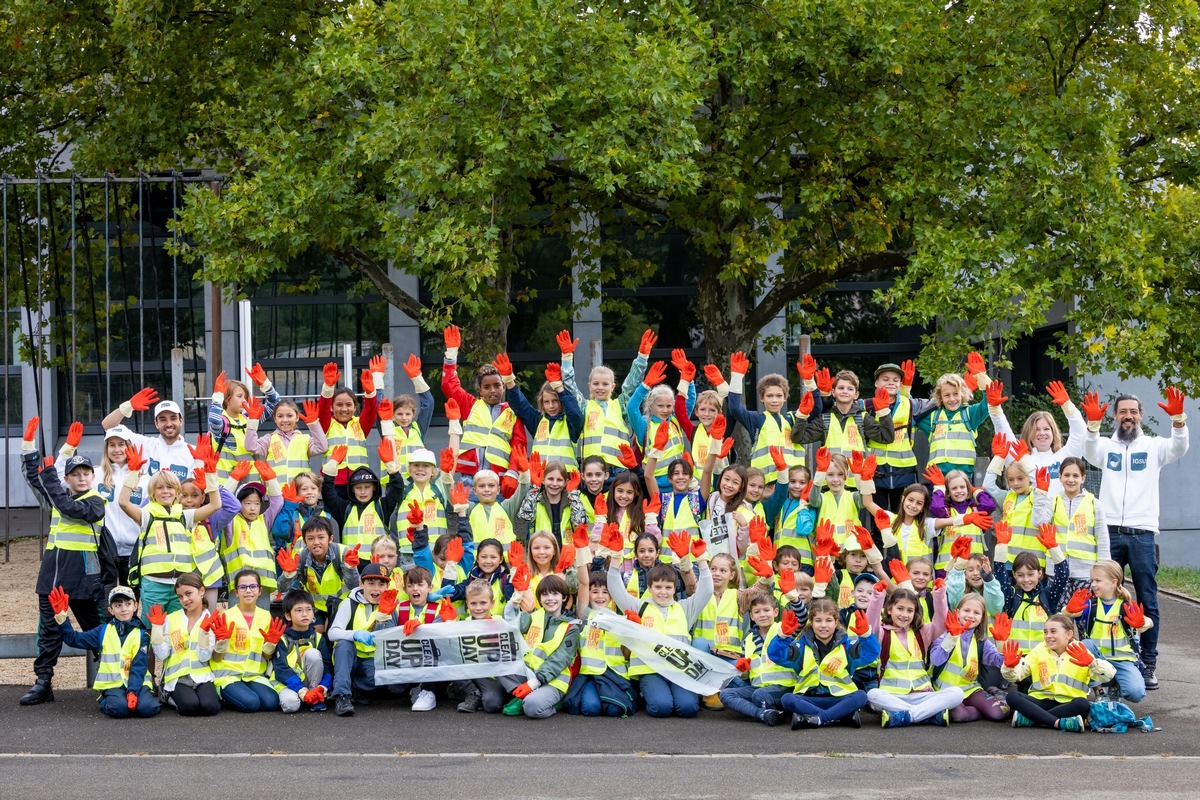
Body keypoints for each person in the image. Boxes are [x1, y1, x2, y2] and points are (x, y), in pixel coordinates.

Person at [1082, 387, 1189, 690]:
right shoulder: (1105, 446)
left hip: (1142, 534)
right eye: (1122, 412)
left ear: (1141, 415)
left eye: (1133, 412)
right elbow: (1090, 452)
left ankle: (1149, 662)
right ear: (1115, 416)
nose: (1128, 417)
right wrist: (1092, 426)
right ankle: (1099, 660)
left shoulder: (1153, 446)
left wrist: (1179, 420)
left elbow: (1179, 448)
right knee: (1102, 594)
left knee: (1147, 599)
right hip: (1111, 533)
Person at [20, 417, 118, 706]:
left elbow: (67, 506)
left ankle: (114, 681)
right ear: (67, 478)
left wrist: (53, 469)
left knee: (101, 633)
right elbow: (37, 479)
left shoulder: (96, 501)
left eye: (86, 472)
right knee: (49, 634)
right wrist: (29, 449)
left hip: (86, 581)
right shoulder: (57, 494)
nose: (82, 477)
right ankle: (43, 683)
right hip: (53, 580)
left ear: (93, 476)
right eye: (75, 474)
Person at [607, 540, 715, 718]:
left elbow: (706, 591)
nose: (663, 592)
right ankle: (647, 694)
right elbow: (615, 588)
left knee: (688, 709)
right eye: (657, 587)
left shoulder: (685, 608)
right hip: (651, 671)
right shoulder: (639, 607)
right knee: (661, 708)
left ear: (674, 589)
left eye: (668, 587)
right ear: (649, 588)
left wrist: (702, 561)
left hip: (678, 671)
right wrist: (616, 557)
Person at [119, 444, 224, 617]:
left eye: (169, 487)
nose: (165, 491)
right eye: (160, 488)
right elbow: (123, 502)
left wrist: (211, 475)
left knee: (178, 631)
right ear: (153, 492)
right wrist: (132, 473)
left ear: (177, 492)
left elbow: (215, 505)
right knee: (153, 630)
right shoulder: (147, 515)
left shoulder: (184, 516)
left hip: (181, 586)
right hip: (154, 584)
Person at [49, 584, 160, 718]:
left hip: (138, 683)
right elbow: (73, 639)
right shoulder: (103, 631)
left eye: (128, 604)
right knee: (120, 710)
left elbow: (139, 666)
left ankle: (134, 698)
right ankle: (104, 699)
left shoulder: (142, 634)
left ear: (135, 606)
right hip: (112, 684)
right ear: (111, 610)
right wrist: (61, 617)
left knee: (148, 709)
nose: (124, 609)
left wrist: (133, 692)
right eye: (118, 605)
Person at [769, 599, 879, 728]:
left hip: (840, 699)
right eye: (818, 620)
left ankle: (817, 719)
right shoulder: (801, 647)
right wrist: (782, 637)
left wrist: (866, 636)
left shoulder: (847, 646)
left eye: (828, 620)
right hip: (809, 699)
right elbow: (776, 655)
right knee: (787, 699)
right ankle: (839, 717)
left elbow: (871, 654)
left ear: (836, 622)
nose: (823, 625)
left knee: (861, 696)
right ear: (811, 622)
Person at [864, 582, 961, 727]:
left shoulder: (922, 632)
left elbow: (940, 621)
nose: (904, 615)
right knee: (872, 695)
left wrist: (940, 595)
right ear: (890, 609)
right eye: (900, 609)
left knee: (957, 693)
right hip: (892, 696)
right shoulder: (882, 633)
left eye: (910, 610)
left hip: (923, 695)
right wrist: (877, 597)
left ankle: (906, 716)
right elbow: (870, 625)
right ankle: (926, 715)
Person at [443, 334, 528, 497]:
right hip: (470, 479)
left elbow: (519, 446)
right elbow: (449, 386)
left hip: (499, 481)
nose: (493, 390)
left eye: (497, 385)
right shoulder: (470, 405)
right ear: (480, 390)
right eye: (487, 387)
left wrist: (513, 473)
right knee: (470, 522)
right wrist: (451, 355)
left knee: (497, 522)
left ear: (503, 387)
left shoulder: (512, 412)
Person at [558, 328, 652, 474]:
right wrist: (566, 359)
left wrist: (642, 358)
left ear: (613, 386)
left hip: (620, 468)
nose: (600, 388)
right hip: (592, 471)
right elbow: (570, 388)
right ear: (589, 386)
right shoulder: (585, 406)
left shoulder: (620, 405)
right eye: (596, 384)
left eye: (605, 384)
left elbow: (631, 385)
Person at [1002, 614, 1116, 732]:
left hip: (1069, 703)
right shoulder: (1039, 649)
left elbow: (1109, 675)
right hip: (1040, 701)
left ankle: (1032, 719)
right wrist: (1009, 667)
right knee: (1012, 696)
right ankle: (1058, 723)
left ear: (1069, 634)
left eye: (1053, 631)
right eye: (1045, 632)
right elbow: (1017, 674)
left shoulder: (1080, 651)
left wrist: (1092, 663)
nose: (1048, 636)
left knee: (1083, 704)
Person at [715, 352, 809, 485]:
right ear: (761, 398)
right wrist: (736, 377)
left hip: (794, 484)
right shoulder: (756, 419)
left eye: (778, 396)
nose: (774, 400)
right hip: (765, 484)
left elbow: (816, 410)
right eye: (770, 396)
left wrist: (810, 382)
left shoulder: (793, 418)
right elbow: (735, 408)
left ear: (785, 397)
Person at [793, 369, 895, 491]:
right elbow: (799, 437)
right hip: (829, 485)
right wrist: (802, 416)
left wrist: (884, 412)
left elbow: (886, 437)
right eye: (841, 388)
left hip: (857, 485)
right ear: (833, 392)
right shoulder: (825, 419)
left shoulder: (863, 418)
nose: (845, 391)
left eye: (850, 389)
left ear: (856, 394)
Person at [1066, 559, 1152, 703]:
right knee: (1084, 645)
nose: (1093, 584)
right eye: (1092, 580)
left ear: (1113, 582)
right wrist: (1068, 610)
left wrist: (1143, 623)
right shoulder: (1090, 605)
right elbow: (1063, 616)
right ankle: (1100, 692)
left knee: (1135, 693)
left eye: (1098, 580)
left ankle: (1116, 686)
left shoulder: (1124, 606)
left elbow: (1149, 622)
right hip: (1097, 660)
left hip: (1124, 661)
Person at [502, 574, 581, 718]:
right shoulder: (532, 616)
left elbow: (559, 660)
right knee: (499, 663)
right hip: (528, 674)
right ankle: (526, 696)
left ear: (564, 597)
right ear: (540, 599)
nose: (550, 598)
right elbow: (509, 624)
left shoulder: (572, 627)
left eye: (555, 594)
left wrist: (533, 683)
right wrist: (515, 599)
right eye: (545, 594)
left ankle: (549, 702)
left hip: (554, 680)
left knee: (532, 708)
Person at [327, 562, 399, 716]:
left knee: (380, 680)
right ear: (361, 584)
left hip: (371, 660)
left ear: (388, 586)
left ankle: (355, 688)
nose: (376, 589)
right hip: (349, 658)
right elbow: (332, 633)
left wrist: (382, 620)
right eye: (370, 583)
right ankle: (342, 696)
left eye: (381, 584)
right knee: (344, 644)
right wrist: (354, 634)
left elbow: (390, 641)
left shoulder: (391, 606)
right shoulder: (349, 603)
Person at [565, 567, 637, 717]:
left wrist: (632, 631)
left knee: (615, 711)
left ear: (612, 596)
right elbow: (583, 583)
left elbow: (626, 653)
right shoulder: (584, 615)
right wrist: (582, 552)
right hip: (590, 675)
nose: (600, 596)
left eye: (605, 592)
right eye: (595, 591)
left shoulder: (620, 620)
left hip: (616, 676)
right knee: (591, 708)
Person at [210, 568, 285, 712]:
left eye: (253, 586)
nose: (248, 591)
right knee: (251, 704)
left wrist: (270, 646)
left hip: (254, 675)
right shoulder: (225, 616)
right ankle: (224, 693)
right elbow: (216, 658)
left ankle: (241, 693)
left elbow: (266, 657)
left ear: (260, 590)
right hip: (227, 675)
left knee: (271, 703)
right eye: (243, 587)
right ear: (236, 592)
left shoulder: (266, 616)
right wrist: (220, 645)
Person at [720, 590, 797, 726]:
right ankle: (763, 714)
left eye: (766, 610)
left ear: (775, 612)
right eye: (757, 612)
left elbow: (801, 620)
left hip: (784, 687)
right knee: (726, 694)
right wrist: (743, 670)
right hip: (757, 687)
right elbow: (746, 677)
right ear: (751, 616)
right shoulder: (748, 639)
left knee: (760, 695)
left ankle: (770, 711)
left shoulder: (783, 629)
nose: (762, 615)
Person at [930, 594, 1010, 723]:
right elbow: (936, 660)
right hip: (946, 691)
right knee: (958, 715)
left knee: (1000, 713)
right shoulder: (944, 636)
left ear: (982, 618)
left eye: (976, 613)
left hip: (970, 690)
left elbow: (999, 662)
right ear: (957, 612)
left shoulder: (981, 642)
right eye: (966, 610)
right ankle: (980, 708)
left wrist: (1001, 643)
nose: (971, 615)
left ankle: (994, 694)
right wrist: (951, 638)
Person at [151, 573, 220, 717]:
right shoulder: (171, 619)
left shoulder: (211, 620)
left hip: (202, 676)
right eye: (180, 596)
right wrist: (157, 630)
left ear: (201, 591)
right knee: (190, 707)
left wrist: (204, 634)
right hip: (177, 678)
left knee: (210, 707)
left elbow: (204, 656)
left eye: (188, 594)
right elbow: (162, 654)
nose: (185, 600)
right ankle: (167, 695)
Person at [276, 516, 362, 630]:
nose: (316, 542)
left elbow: (354, 586)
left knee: (333, 634)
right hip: (314, 607)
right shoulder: (300, 556)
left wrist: (349, 568)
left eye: (321, 537)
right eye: (310, 538)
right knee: (317, 632)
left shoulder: (343, 553)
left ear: (330, 538)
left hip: (341, 605)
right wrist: (288, 574)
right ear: (305, 541)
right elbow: (282, 588)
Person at [320, 442, 407, 555]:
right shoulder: (345, 508)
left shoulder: (382, 506)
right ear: (352, 489)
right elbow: (328, 493)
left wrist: (390, 464)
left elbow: (397, 488)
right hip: (350, 565)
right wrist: (332, 464)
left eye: (367, 487)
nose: (362, 492)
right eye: (358, 487)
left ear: (374, 488)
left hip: (376, 564)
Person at [868, 361, 933, 510]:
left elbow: (937, 401)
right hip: (876, 470)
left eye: (896, 380)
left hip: (904, 472)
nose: (891, 382)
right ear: (876, 383)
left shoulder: (910, 404)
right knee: (878, 517)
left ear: (901, 384)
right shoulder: (866, 405)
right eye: (885, 379)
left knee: (903, 516)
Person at [505, 358, 584, 473]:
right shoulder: (538, 420)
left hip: (565, 481)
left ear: (562, 401)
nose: (551, 406)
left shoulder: (570, 423)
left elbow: (575, 413)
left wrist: (560, 389)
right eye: (546, 402)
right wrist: (509, 381)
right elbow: (521, 405)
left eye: (555, 401)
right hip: (539, 480)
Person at [317, 359, 382, 495]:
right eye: (339, 405)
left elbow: (370, 411)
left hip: (358, 482)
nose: (344, 409)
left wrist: (370, 393)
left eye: (348, 404)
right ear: (332, 407)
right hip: (333, 481)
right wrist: (328, 387)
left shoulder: (360, 424)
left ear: (355, 406)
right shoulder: (326, 424)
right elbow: (322, 410)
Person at [209, 367, 283, 481]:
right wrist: (218, 397)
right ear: (226, 399)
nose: (244, 400)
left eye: (245, 397)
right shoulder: (222, 421)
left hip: (250, 485)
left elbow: (276, 404)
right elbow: (214, 420)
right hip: (227, 487)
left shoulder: (248, 419)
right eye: (239, 396)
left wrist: (266, 386)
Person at [101, 388, 193, 479]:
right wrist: (129, 406)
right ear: (156, 424)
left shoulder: (193, 452)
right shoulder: (144, 444)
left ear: (181, 421)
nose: (169, 424)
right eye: (163, 419)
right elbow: (107, 426)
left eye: (173, 418)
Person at [273, 589, 334, 713]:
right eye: (299, 610)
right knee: (291, 705)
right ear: (288, 615)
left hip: (312, 683)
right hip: (289, 683)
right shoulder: (282, 638)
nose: (305, 614)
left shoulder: (318, 637)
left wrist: (322, 688)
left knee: (313, 653)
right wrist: (301, 690)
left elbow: (327, 666)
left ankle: (315, 698)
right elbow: (281, 669)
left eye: (309, 609)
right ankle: (304, 697)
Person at [1053, 456, 1109, 590]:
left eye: (1075, 476)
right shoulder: (1053, 502)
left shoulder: (1094, 504)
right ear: (1060, 477)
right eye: (1066, 475)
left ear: (1083, 478)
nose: (1071, 480)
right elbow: (1039, 523)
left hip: (1085, 572)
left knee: (1084, 610)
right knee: (1058, 611)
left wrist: (1103, 570)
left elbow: (1102, 539)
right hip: (1056, 569)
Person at [244, 398, 327, 486]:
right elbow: (250, 446)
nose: (285, 420)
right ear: (275, 419)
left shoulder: (305, 439)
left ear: (297, 417)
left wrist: (314, 425)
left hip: (300, 491)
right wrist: (252, 424)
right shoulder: (269, 439)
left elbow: (322, 447)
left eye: (289, 415)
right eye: (280, 416)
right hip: (275, 493)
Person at [380, 354, 435, 475]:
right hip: (394, 481)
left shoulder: (418, 428)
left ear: (413, 414)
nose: (404, 418)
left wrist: (417, 378)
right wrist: (377, 379)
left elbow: (429, 404)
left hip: (417, 479)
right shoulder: (387, 428)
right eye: (399, 414)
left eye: (407, 414)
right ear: (392, 414)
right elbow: (377, 408)